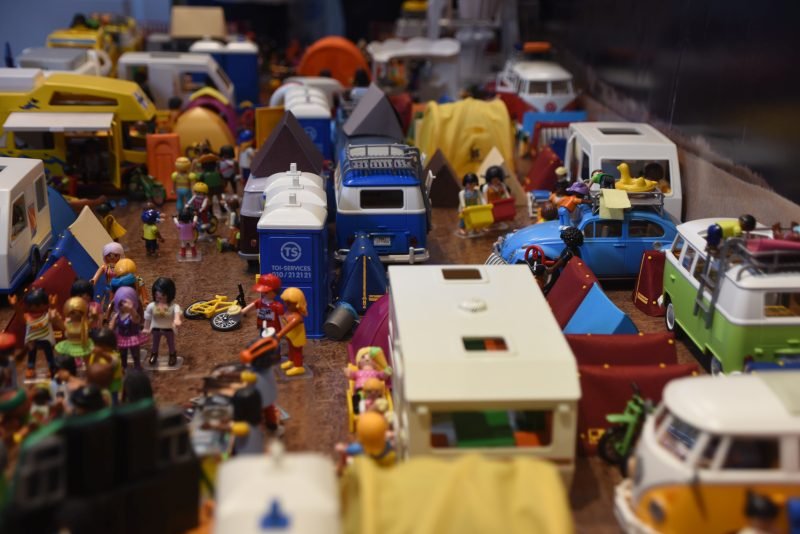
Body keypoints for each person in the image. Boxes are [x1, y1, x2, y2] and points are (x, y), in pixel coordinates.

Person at [9, 288, 58, 379]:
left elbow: (53, 316)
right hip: (32, 339)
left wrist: (53, 306)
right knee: (31, 353)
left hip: (45, 338)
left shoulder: (46, 315)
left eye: (38, 305)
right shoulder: (27, 317)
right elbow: (20, 315)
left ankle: (52, 367)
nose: (35, 308)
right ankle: (30, 368)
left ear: (45, 304)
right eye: (31, 305)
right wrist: (15, 305)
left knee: (49, 353)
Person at [143, 277, 181, 367]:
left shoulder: (174, 306)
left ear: (169, 294)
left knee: (171, 343)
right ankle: (154, 354)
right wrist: (146, 328)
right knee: (155, 343)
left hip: (169, 329)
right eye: (157, 295)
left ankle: (172, 355)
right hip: (156, 329)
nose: (159, 297)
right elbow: (148, 317)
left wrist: (177, 320)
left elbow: (177, 313)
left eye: (163, 295)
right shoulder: (151, 306)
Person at [109, 286, 147, 370]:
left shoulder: (132, 314)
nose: (123, 306)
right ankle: (123, 366)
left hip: (133, 337)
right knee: (122, 354)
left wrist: (132, 309)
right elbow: (111, 325)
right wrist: (110, 333)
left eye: (125, 303)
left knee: (135, 354)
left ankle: (137, 366)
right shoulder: (117, 315)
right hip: (122, 337)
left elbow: (137, 319)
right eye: (121, 304)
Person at [543, 226, 584, 294]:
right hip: (570, 270)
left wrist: (553, 268)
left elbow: (562, 261)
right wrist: (559, 257)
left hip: (570, 272)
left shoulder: (569, 252)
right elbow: (563, 257)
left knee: (564, 284)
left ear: (569, 241)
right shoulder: (573, 249)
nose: (563, 242)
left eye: (564, 240)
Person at [276, 287, 308, 377]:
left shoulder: (296, 317)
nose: (286, 304)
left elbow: (288, 327)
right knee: (290, 349)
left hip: (297, 336)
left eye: (289, 303)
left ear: (297, 304)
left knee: (297, 351)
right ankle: (291, 361)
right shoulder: (289, 312)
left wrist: (280, 334)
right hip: (291, 336)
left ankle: (298, 366)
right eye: (285, 302)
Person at [54, 297, 94, 364]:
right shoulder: (67, 324)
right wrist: (53, 310)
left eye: (80, 312)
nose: (76, 314)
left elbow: (93, 320)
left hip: (82, 345)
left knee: (84, 360)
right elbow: (58, 321)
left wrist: (93, 315)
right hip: (70, 345)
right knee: (69, 361)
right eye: (72, 312)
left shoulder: (85, 324)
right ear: (68, 313)